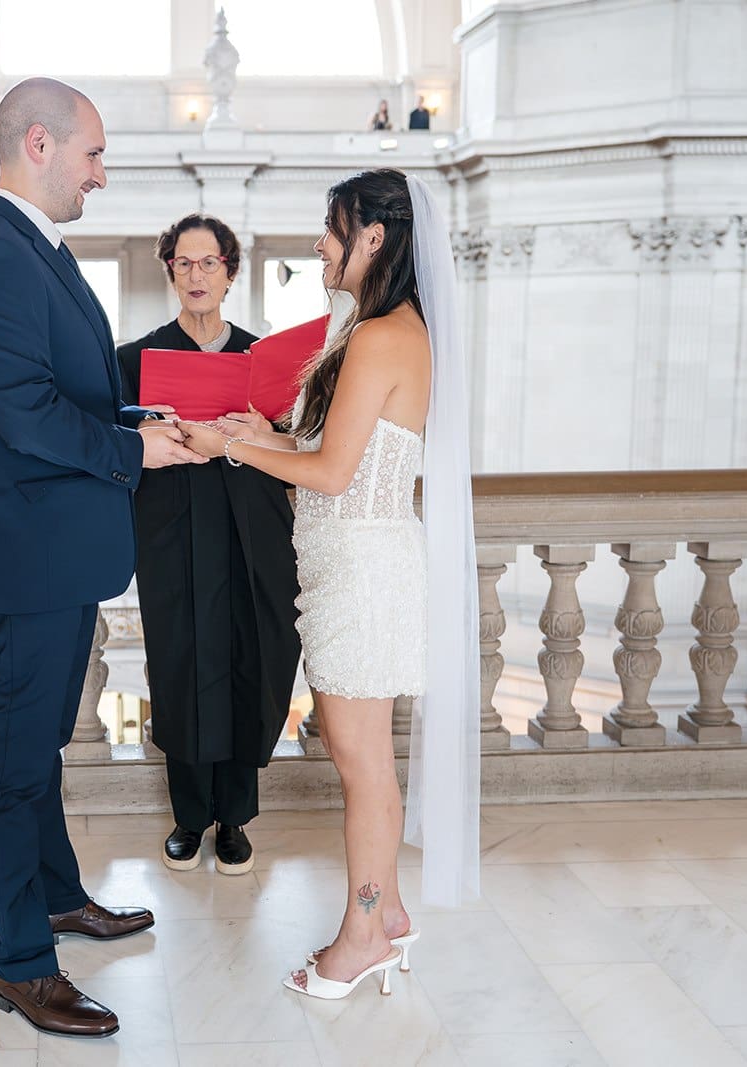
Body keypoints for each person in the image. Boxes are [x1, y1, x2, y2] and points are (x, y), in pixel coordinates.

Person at [0, 76, 205, 1039]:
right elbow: (26, 415)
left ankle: (54, 897)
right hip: (25, 561)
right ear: (38, 145)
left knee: (41, 742)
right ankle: (17, 961)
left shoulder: (31, 250)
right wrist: (134, 448)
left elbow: (72, 392)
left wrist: (142, 419)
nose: (103, 173)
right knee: (12, 762)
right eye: (93, 153)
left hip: (56, 556)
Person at [178, 168, 479, 1001]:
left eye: (333, 227)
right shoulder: (385, 328)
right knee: (364, 755)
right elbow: (334, 447)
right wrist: (264, 432)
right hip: (350, 561)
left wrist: (229, 448)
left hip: (362, 568)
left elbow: (336, 472)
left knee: (361, 762)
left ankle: (365, 931)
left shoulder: (384, 335)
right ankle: (390, 914)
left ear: (374, 238)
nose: (321, 243)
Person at [115, 215, 301, 878]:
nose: (197, 275)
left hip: (251, 533)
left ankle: (235, 817)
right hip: (171, 533)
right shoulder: (134, 361)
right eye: (184, 263)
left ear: (230, 271)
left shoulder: (267, 360)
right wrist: (149, 434)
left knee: (252, 660)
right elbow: (116, 451)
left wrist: (259, 428)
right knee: (182, 667)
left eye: (209, 262)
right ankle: (190, 816)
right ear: (170, 270)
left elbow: (300, 448)